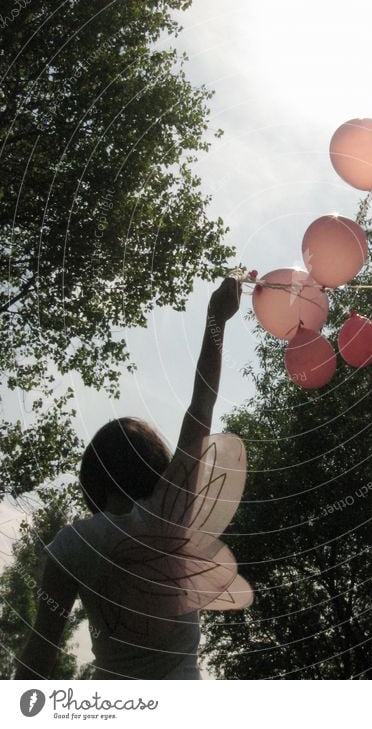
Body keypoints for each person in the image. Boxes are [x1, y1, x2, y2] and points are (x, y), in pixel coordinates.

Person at [15, 276, 252, 680]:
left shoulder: (71, 546)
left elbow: (42, 649)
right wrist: (216, 319)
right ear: (154, 464)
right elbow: (202, 404)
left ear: (94, 475)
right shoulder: (171, 514)